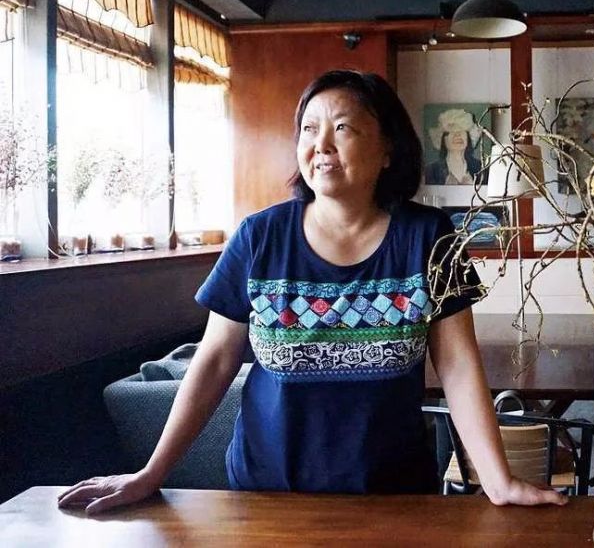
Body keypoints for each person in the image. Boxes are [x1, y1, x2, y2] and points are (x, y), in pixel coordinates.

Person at [57, 70, 567, 514]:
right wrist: (151, 473)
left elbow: (457, 365)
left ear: (387, 148)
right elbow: (214, 361)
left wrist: (497, 481)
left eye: (343, 127)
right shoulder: (259, 237)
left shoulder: (429, 237)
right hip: (267, 493)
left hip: (393, 493)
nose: (321, 144)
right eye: (309, 128)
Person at [424, 108, 484, 185]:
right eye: (451, 131)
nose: (457, 135)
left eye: (462, 130)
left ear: (469, 137)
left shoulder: (481, 168)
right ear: (443, 139)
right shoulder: (431, 170)